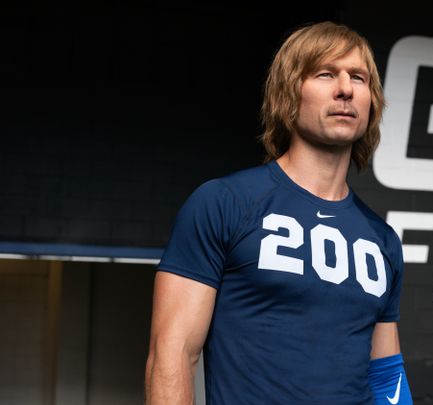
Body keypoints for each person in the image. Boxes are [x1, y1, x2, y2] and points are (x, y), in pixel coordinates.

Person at [144, 21, 413, 404]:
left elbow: (387, 377)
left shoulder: (382, 241)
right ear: (289, 93)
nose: (346, 89)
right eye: (325, 74)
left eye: (358, 77)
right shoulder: (223, 203)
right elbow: (172, 354)